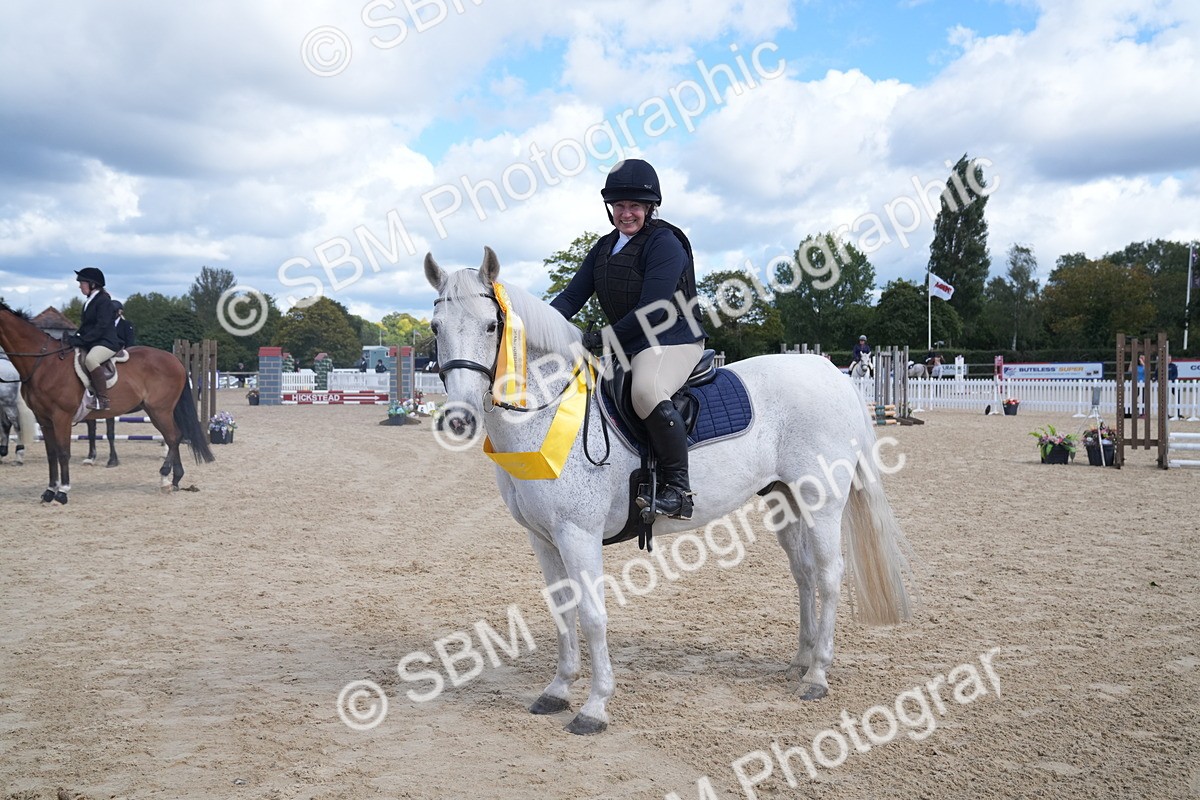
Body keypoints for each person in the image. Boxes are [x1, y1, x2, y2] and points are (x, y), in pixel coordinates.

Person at [550, 158, 707, 520]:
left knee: (645, 391)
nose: (626, 213)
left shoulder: (665, 244)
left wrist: (601, 339)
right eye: (619, 205)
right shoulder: (604, 248)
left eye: (634, 206)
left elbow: (653, 311)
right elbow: (571, 298)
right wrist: (537, 326)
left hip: (673, 339)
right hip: (630, 341)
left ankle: (678, 489)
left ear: (650, 207)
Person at [66, 267, 120, 410]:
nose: (79, 286)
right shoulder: (89, 301)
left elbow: (101, 326)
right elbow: (86, 326)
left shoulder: (104, 301)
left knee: (91, 360)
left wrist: (83, 340)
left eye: (82, 282)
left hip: (106, 342)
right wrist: (75, 337)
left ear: (92, 284)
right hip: (94, 341)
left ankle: (102, 399)